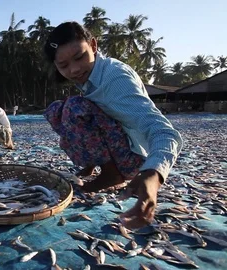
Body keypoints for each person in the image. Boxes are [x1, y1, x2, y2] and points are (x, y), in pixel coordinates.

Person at [43, 22, 183, 229]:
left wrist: (153, 176)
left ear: (93, 45)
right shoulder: (90, 74)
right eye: (63, 65)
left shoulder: (116, 79)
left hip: (136, 157)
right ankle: (96, 164)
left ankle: (113, 174)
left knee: (74, 107)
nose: (73, 69)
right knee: (56, 110)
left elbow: (164, 132)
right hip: (122, 140)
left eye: (80, 57)